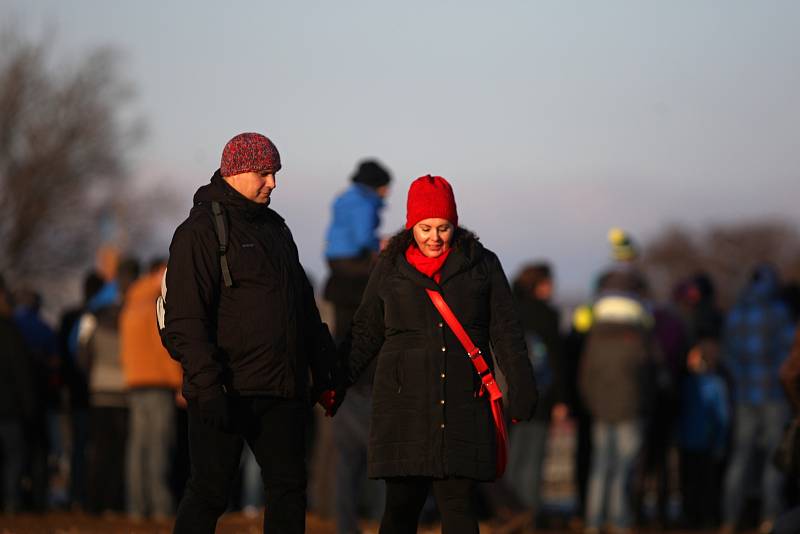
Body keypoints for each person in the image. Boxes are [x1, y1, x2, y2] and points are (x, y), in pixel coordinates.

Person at [340, 174, 538, 534]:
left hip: (463, 403)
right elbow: (366, 330)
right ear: (411, 224)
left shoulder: (482, 264)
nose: (434, 237)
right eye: (426, 227)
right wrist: (334, 382)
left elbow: (506, 331)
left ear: (455, 224)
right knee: (400, 508)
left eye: (443, 227)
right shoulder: (390, 265)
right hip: (404, 406)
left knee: (459, 507)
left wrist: (522, 385)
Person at [162, 132, 338, 534]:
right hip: (224, 390)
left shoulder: (277, 229)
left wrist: (325, 367)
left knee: (289, 490)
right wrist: (206, 388)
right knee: (209, 492)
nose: (272, 183)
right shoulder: (199, 232)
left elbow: (302, 307)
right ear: (235, 172)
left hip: (280, 390)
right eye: (263, 174)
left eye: (275, 173)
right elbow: (185, 320)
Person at [323, 159, 391, 534]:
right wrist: (378, 253)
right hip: (354, 269)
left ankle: (345, 521)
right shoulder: (365, 204)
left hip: (337, 267)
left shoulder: (343, 198)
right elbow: (365, 237)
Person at [579, 228, 654, 534]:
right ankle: (620, 522)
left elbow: (585, 377)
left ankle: (593, 522)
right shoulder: (639, 340)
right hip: (629, 407)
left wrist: (590, 402)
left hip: (601, 407)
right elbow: (648, 375)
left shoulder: (594, 339)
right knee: (623, 468)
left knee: (600, 467)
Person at [719, 263, 796, 534]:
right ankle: (769, 518)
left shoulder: (736, 313)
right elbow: (790, 355)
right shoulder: (779, 313)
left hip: (743, 394)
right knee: (774, 459)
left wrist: (740, 380)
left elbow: (727, 355)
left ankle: (729, 518)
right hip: (774, 394)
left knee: (741, 457)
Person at [120, 258, 183, 520]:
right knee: (159, 447)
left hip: (135, 383)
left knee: (138, 448)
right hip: (159, 384)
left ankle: (136, 506)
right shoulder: (156, 305)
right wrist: (180, 383)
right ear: (159, 274)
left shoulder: (131, 303)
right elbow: (164, 350)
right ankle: (160, 507)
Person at [505, 262, 567, 525]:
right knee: (533, 456)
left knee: (512, 455)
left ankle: (509, 510)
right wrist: (562, 399)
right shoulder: (547, 316)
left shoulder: (507, 310)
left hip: (509, 393)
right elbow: (557, 361)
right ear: (540, 285)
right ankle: (529, 512)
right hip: (540, 395)